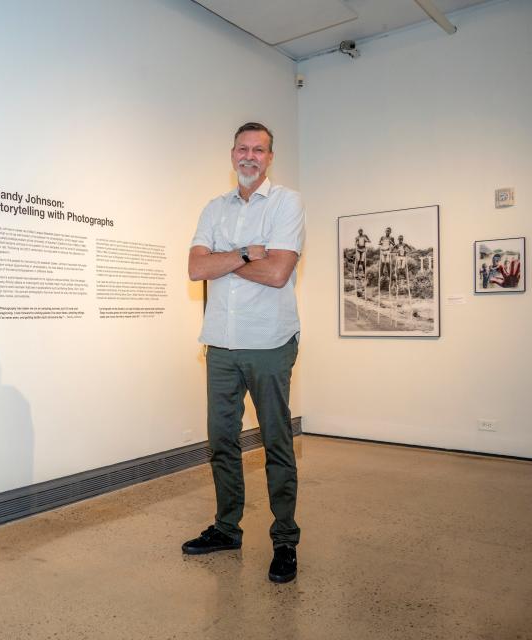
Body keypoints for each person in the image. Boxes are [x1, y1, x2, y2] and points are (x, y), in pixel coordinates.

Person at [185, 122, 305, 583]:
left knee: (276, 441)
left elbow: (278, 274)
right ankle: (226, 528)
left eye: (259, 149)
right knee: (221, 441)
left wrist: (227, 262)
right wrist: (245, 254)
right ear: (232, 153)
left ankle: (284, 540)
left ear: (270, 157)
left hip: (270, 342)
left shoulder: (286, 203)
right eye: (242, 148)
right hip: (221, 344)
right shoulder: (214, 208)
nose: (249, 156)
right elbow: (197, 267)